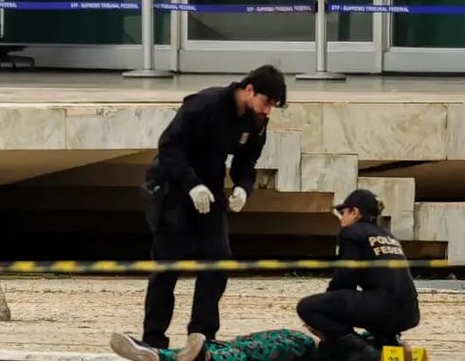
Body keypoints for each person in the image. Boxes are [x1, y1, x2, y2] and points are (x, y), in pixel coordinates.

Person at [134, 65, 288, 350]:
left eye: (273, 107)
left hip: (211, 189)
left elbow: (246, 160)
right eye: (267, 102)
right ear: (249, 89)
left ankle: (203, 334)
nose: (268, 111)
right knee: (168, 265)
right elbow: (169, 146)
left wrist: (243, 186)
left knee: (218, 259)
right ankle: (153, 338)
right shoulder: (205, 104)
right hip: (172, 187)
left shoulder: (256, 121)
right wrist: (191, 184)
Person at [297, 189, 421, 361]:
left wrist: (327, 312)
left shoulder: (352, 232)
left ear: (355, 212)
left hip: (383, 307)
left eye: (343, 213)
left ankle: (360, 351)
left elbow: (345, 278)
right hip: (409, 313)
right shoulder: (387, 235)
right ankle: (390, 344)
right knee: (367, 303)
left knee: (308, 307)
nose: (341, 219)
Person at [110, 330, 318, 361]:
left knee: (250, 351)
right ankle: (157, 354)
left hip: (314, 352)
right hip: (316, 344)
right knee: (242, 344)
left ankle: (207, 357)